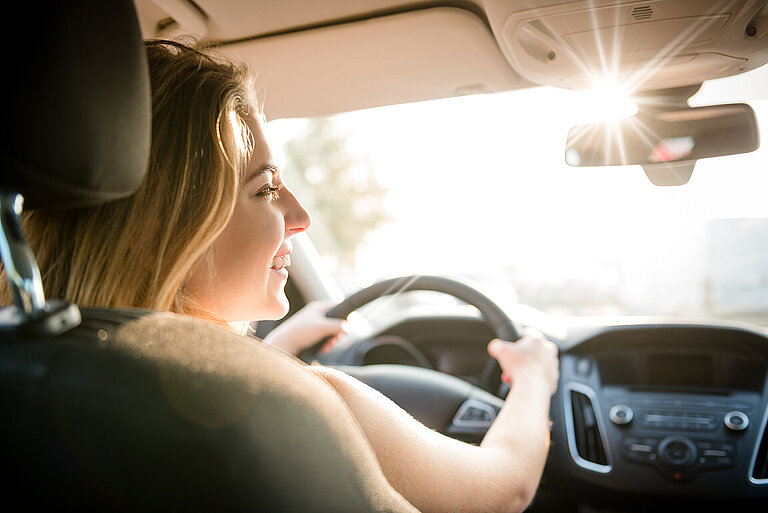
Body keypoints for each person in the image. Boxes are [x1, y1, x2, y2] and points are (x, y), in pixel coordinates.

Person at [5, 40, 559, 513]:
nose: (300, 216)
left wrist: (280, 348)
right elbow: (505, 488)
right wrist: (534, 379)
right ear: (170, 228)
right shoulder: (305, 408)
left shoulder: (30, 383)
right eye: (266, 189)